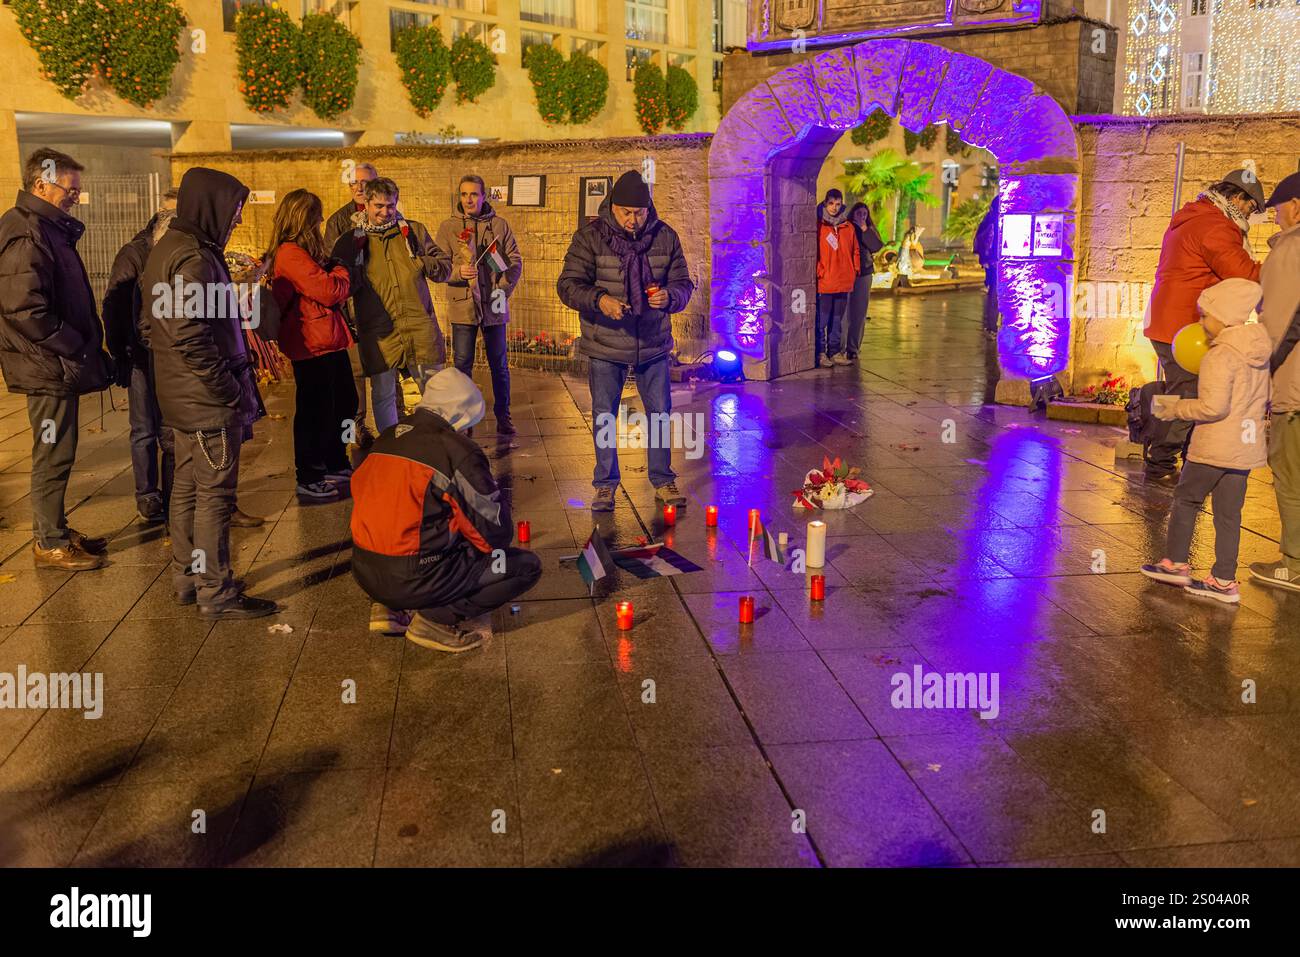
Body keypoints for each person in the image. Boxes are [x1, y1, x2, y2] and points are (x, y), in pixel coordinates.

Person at [141, 166, 277, 620]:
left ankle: (187, 577)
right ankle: (215, 590)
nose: (238, 219)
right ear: (213, 205)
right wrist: (225, 388)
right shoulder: (195, 257)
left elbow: (158, 327)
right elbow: (189, 334)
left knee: (185, 486)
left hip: (182, 396)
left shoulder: (170, 249)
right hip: (205, 400)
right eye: (235, 209)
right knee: (214, 493)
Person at [350, 368, 541, 651]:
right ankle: (434, 619)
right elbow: (492, 534)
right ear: (460, 415)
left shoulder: (388, 436)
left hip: (365, 571)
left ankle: (388, 608)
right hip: (412, 576)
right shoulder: (456, 449)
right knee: (524, 567)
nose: (469, 430)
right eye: (469, 422)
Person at [0, 148, 113, 571]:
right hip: (45, 367)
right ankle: (49, 540)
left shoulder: (43, 229)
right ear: (41, 185)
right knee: (52, 450)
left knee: (58, 449)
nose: (76, 197)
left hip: (51, 364)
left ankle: (56, 528)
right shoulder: (27, 232)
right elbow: (23, 309)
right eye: (72, 189)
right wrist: (73, 345)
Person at [557, 169, 693, 513]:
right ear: (612, 207)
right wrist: (599, 299)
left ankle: (663, 479)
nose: (633, 220)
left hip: (653, 341)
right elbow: (569, 284)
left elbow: (683, 283)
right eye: (626, 213)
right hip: (606, 341)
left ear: (649, 209)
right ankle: (605, 484)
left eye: (640, 213)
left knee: (660, 413)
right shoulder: (590, 237)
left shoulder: (665, 237)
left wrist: (671, 297)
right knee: (605, 414)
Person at [1140, 278, 1268, 604]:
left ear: (1222, 317)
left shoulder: (1220, 355)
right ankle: (1224, 580)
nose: (1199, 322)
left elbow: (1212, 407)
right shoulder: (1257, 352)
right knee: (1229, 515)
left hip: (1213, 447)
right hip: (1244, 449)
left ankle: (1175, 564)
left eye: (1204, 315)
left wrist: (1175, 407)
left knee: (1186, 500)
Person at [1142, 169, 1264, 480]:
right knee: (1190, 395)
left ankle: (1171, 453)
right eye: (1251, 207)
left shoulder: (1197, 216)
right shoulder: (1215, 227)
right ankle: (1160, 465)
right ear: (1237, 198)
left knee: (1182, 390)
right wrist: (1281, 267)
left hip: (1171, 323)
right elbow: (1243, 273)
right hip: (1184, 326)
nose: (1251, 215)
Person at [330, 177, 450, 434]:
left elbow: (444, 269)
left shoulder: (414, 232)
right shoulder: (352, 241)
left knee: (434, 393)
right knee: (383, 393)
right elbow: (337, 285)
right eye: (379, 206)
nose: (385, 212)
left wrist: (421, 262)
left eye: (391, 206)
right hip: (379, 332)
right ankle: (389, 450)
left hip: (419, 328)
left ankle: (436, 446)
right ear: (366, 204)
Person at [265, 189, 357, 502]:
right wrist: (342, 268)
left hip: (327, 338)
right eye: (316, 215)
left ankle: (336, 458)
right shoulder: (290, 253)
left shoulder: (303, 251)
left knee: (346, 402)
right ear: (305, 218)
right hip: (309, 343)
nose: (321, 219)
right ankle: (309, 473)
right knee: (313, 411)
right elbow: (331, 291)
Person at [103, 205, 177, 525]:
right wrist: (121, 352)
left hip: (165, 353)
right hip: (139, 353)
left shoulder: (164, 252)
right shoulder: (133, 255)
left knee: (170, 428)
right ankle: (147, 494)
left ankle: (174, 494)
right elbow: (114, 306)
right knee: (145, 427)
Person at [434, 174, 522, 435]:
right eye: (464, 194)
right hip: (463, 303)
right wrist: (459, 272)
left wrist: (502, 291)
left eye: (474, 194)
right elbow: (439, 266)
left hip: (494, 301)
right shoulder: (448, 227)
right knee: (462, 364)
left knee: (499, 363)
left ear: (483, 196)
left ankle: (503, 415)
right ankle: (466, 418)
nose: (468, 199)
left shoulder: (499, 225)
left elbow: (515, 262)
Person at [1248, 172, 1300, 591]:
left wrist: (1263, 367)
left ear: (1296, 206)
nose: (1275, 217)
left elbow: (1281, 323)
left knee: (1289, 476)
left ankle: (1294, 564)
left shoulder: (1291, 249)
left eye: (1279, 208)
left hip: (1295, 390)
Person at [325, 162, 378, 449]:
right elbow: (333, 262)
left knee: (386, 367)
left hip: (380, 303)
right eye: (354, 183)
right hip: (351, 306)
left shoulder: (384, 215)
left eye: (365, 183)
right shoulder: (337, 221)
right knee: (355, 372)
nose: (359, 187)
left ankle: (392, 426)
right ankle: (356, 428)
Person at [814, 188, 858, 367]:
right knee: (822, 319)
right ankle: (821, 353)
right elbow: (814, 250)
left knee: (837, 319)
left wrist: (854, 270)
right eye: (831, 203)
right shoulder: (819, 225)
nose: (834, 207)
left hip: (843, 279)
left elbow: (855, 250)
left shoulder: (848, 227)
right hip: (826, 280)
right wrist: (819, 270)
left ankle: (835, 351)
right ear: (825, 203)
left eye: (838, 204)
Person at [845, 202, 883, 362]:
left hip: (864, 273)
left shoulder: (869, 230)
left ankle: (853, 347)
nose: (862, 216)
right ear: (853, 214)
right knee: (844, 313)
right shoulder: (847, 228)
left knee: (859, 312)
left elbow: (876, 246)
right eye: (859, 213)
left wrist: (865, 229)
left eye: (864, 214)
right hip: (847, 273)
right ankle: (840, 347)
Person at [974, 194, 1001, 336]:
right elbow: (988, 240)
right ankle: (992, 326)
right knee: (995, 292)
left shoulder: (989, 219)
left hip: (991, 261)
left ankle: (991, 325)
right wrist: (988, 260)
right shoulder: (994, 220)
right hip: (994, 261)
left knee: (993, 291)